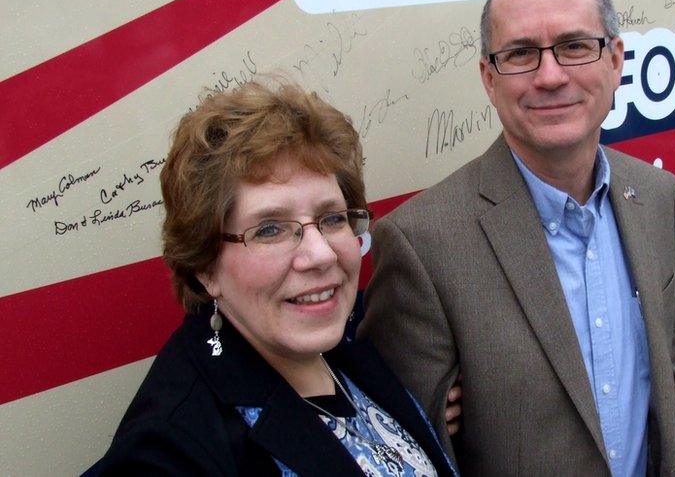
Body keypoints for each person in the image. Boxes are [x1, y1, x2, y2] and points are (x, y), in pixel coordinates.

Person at [360, 0, 675, 476]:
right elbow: (409, 453)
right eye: (520, 54)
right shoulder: (421, 244)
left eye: (575, 46)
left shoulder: (656, 196)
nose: (550, 76)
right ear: (489, 80)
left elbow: (668, 381)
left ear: (616, 61)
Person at [96, 80, 457, 476]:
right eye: (270, 229)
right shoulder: (170, 452)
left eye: (332, 218)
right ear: (204, 266)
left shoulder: (349, 335)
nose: (321, 254)